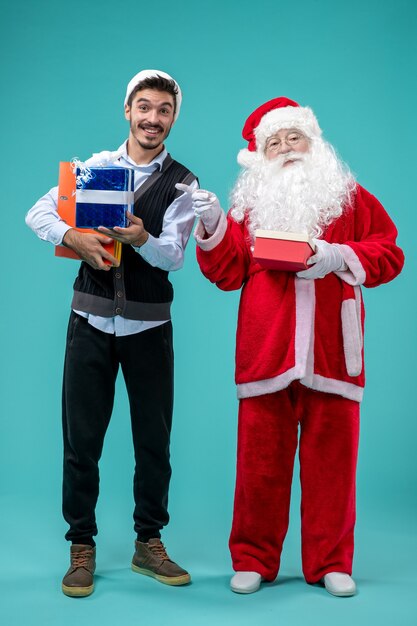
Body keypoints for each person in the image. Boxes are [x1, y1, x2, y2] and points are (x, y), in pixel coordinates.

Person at [177, 97, 404, 596]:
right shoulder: (248, 206)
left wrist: (338, 255)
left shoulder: (350, 198)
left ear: (313, 142)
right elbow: (228, 271)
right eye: (273, 143)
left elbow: (390, 252)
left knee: (333, 464)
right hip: (267, 348)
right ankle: (254, 558)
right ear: (261, 155)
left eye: (293, 138)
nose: (285, 149)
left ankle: (331, 562)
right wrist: (215, 225)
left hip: (332, 350)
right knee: (258, 465)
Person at [26, 69, 198, 597]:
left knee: (154, 441)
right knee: (82, 441)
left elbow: (174, 257)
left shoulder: (184, 182)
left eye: (163, 110)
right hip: (90, 323)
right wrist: (73, 235)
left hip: (150, 329)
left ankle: (149, 542)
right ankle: (81, 545)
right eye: (144, 107)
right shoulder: (95, 168)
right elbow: (36, 213)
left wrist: (145, 238)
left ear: (173, 117)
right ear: (128, 110)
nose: (152, 118)